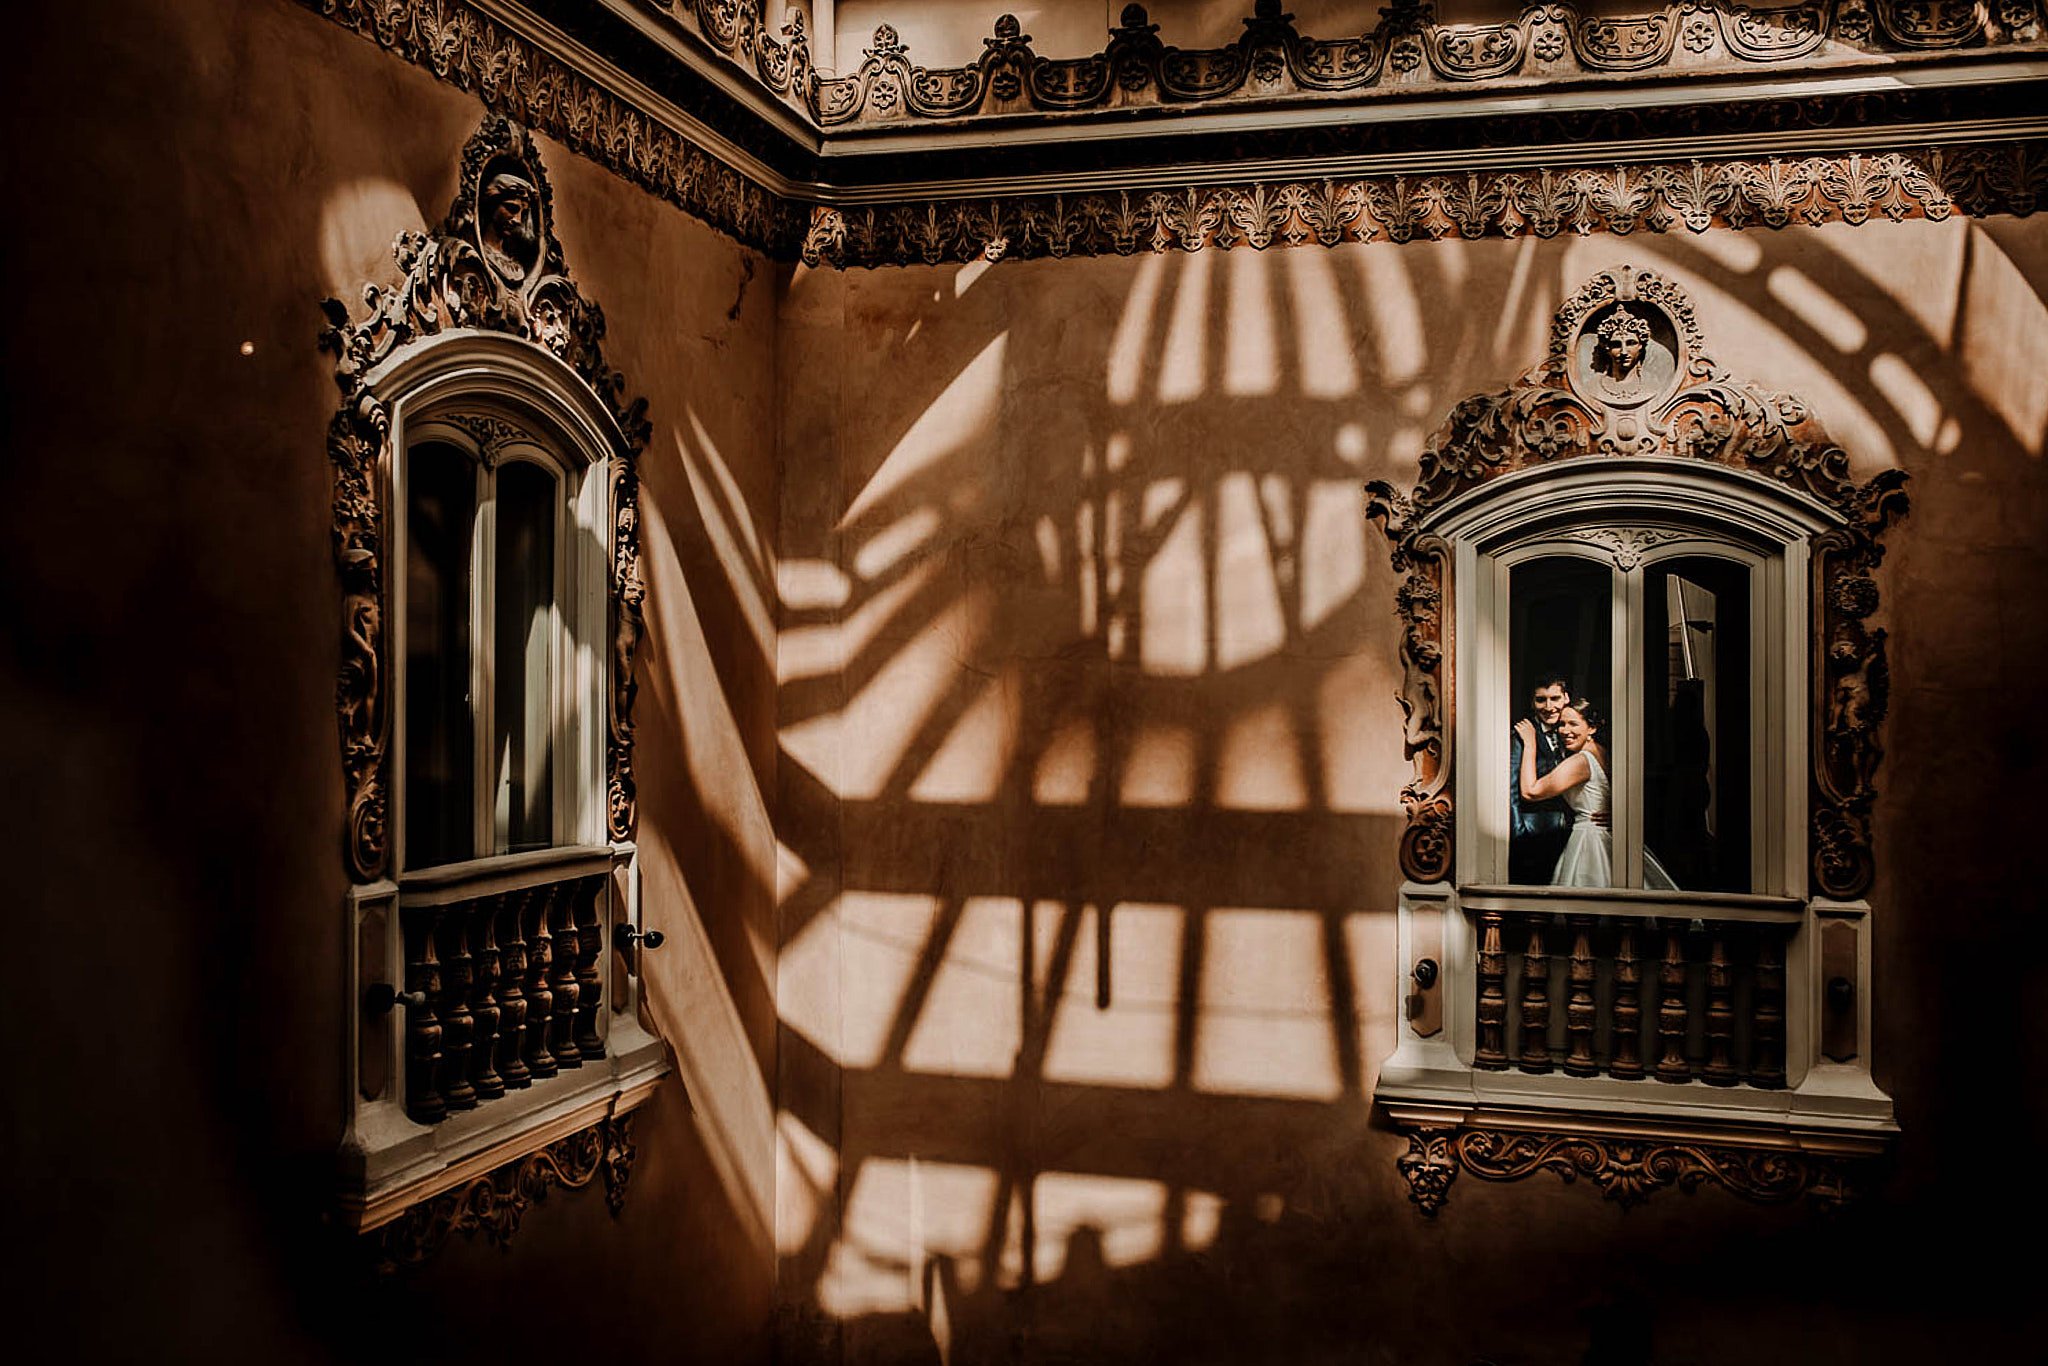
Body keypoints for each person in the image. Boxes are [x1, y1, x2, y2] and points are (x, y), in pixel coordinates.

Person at [1515, 698, 1677, 889]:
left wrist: (1530, 744)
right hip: (1609, 837)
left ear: (1591, 729)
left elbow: (1530, 792)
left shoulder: (1581, 761)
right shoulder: (1604, 753)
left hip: (1590, 840)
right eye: (1562, 724)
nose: (1564, 730)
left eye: (1573, 724)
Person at [1509, 674, 1574, 884]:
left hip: (1573, 832)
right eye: (1540, 699)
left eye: (1554, 698)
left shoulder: (1574, 731)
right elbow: (1510, 789)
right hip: (1536, 833)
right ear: (1532, 702)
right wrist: (1520, 832)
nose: (1548, 707)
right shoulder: (1522, 734)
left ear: (1566, 698)